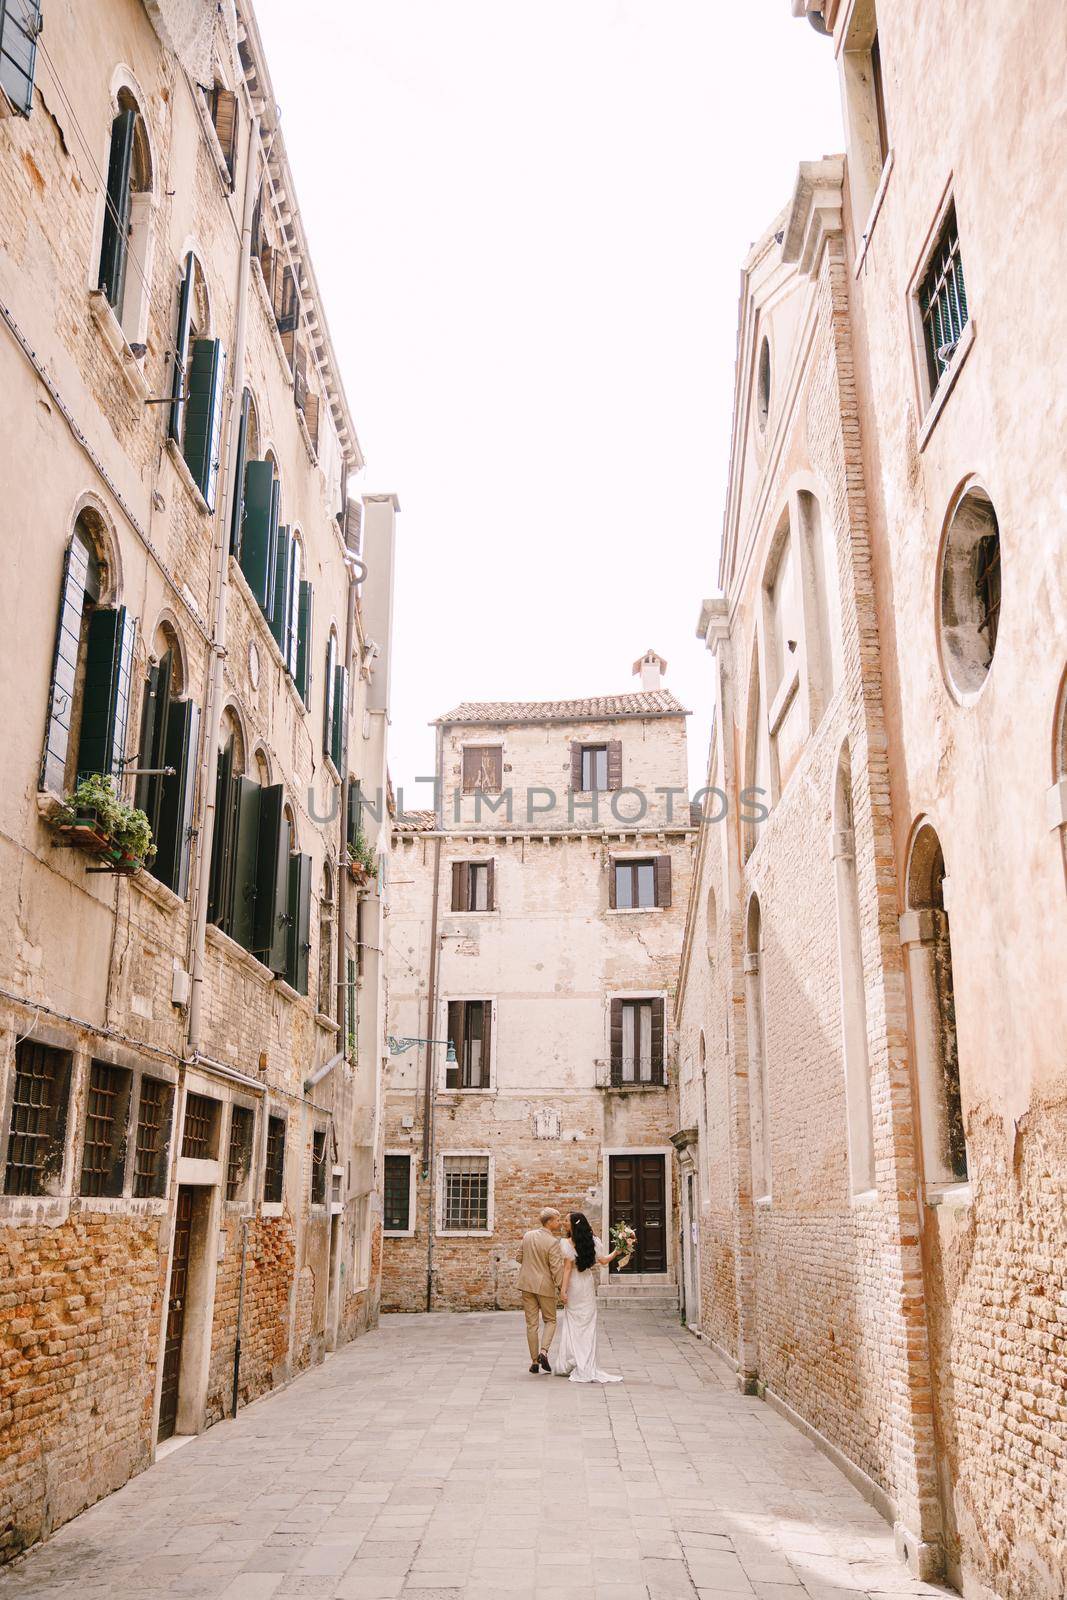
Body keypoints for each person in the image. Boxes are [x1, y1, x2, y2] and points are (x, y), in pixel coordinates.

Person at [554, 1211, 625, 1384]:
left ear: (573, 1225)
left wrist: (563, 1291)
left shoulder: (566, 1243)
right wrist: (618, 1250)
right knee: (588, 1325)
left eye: (566, 1220)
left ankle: (573, 1362)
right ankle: (585, 1362)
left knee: (573, 1324)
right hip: (586, 1286)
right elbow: (604, 1261)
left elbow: (568, 1270)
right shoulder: (593, 1241)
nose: (564, 1223)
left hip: (574, 1286)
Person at [515, 1206, 564, 1373]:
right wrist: (561, 1287)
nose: (560, 1222)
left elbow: (519, 1257)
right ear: (549, 1222)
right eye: (558, 1220)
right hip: (545, 1286)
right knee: (550, 1320)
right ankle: (544, 1351)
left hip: (526, 1284)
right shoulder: (552, 1243)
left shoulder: (528, 1236)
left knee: (531, 1324)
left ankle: (534, 1361)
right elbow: (556, 1268)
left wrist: (531, 1266)